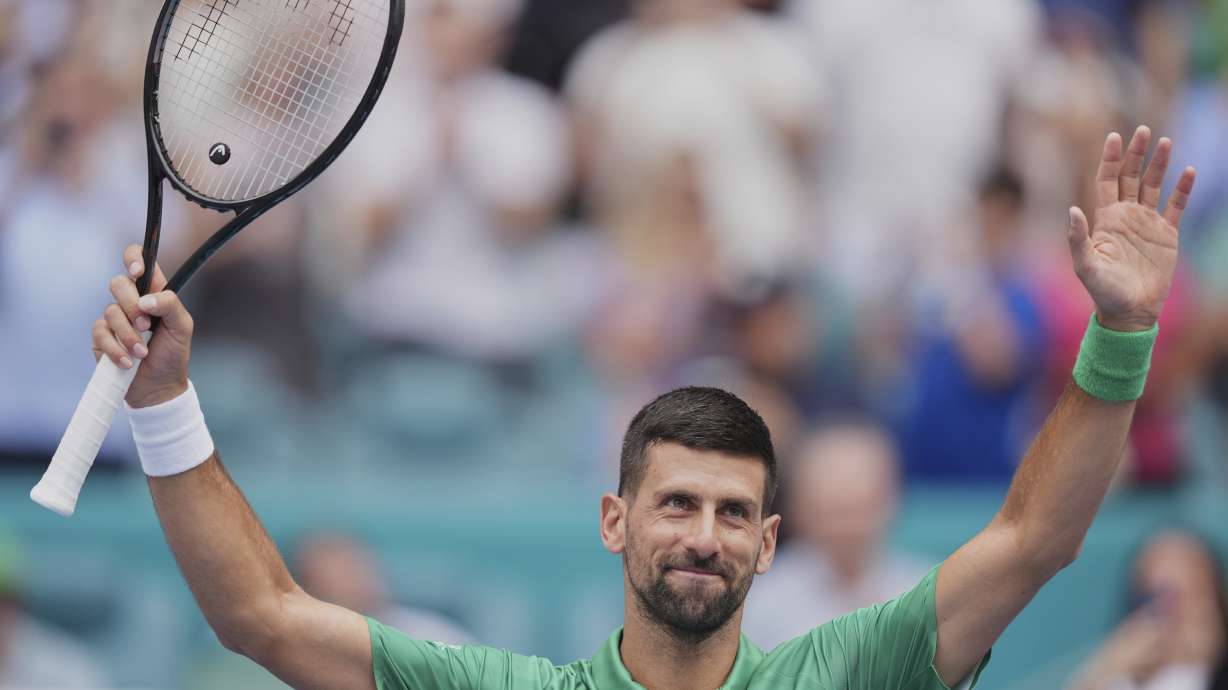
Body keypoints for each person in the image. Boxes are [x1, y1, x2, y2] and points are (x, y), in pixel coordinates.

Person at [91, 125, 1194, 689]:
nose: (701, 537)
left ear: (769, 546)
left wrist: (1121, 334)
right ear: (614, 522)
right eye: (675, 505)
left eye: (729, 514)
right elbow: (262, 618)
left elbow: (1036, 538)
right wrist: (167, 400)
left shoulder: (852, 671)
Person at [742, 421, 930, 649]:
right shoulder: (763, 599)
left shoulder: (925, 592)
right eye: (833, 511)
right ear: (801, 508)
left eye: (859, 508)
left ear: (891, 501)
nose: (847, 528)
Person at [1064, 529, 1228, 690]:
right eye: (1156, 597)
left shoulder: (1213, 666)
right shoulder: (1118, 666)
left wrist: (1210, 659)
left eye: (1189, 594)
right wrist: (1107, 667)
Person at [294, 533, 475, 646]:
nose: (356, 583)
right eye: (338, 578)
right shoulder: (292, 660)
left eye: (355, 569)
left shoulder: (431, 638)